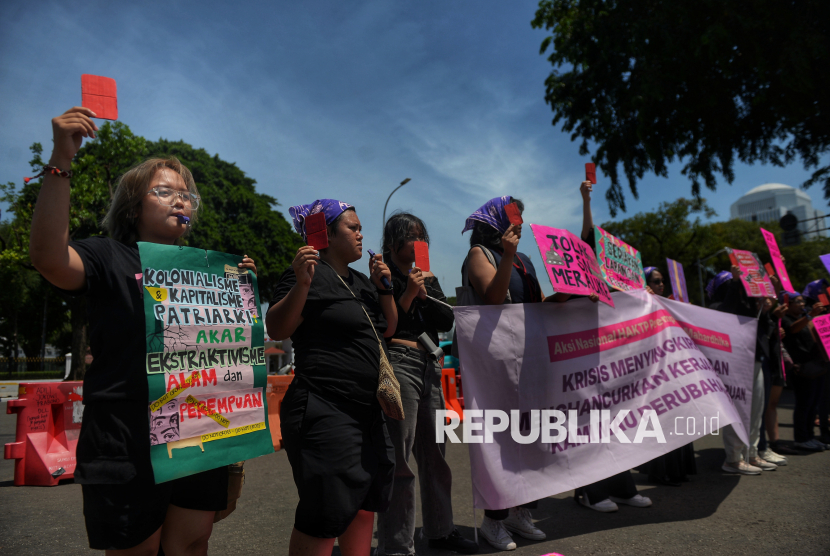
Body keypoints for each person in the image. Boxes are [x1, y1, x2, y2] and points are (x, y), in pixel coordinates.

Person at [29, 107, 257, 555]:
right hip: (126, 440)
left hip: (198, 435)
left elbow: (229, 370)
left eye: (187, 194)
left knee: (192, 545)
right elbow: (49, 258)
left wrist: (239, 293)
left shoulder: (212, 273)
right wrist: (61, 160)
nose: (180, 199)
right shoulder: (107, 256)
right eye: (164, 191)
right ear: (134, 207)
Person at [266, 199, 398, 556]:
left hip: (367, 413)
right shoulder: (307, 274)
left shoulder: (360, 281)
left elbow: (388, 329)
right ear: (325, 233)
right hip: (325, 408)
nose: (360, 234)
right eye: (352, 228)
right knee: (325, 513)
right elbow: (277, 327)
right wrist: (302, 285)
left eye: (359, 228)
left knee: (363, 502)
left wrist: (384, 287)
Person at [376, 213, 478, 556]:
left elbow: (447, 318)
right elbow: (388, 325)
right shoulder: (382, 275)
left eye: (423, 237)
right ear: (392, 242)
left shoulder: (427, 277)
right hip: (400, 363)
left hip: (429, 365)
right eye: (412, 237)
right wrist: (407, 292)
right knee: (400, 460)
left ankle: (441, 530)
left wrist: (424, 291)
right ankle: (396, 544)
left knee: (436, 455)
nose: (420, 243)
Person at [460, 195, 547, 551]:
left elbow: (537, 305)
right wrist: (507, 256)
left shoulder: (525, 260)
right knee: (500, 439)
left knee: (532, 436)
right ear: (496, 221)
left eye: (522, 218)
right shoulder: (480, 254)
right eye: (514, 217)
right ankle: (493, 520)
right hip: (495, 363)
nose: (520, 224)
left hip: (528, 358)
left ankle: (521, 511)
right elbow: (493, 299)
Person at [571, 182, 651, 512]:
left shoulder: (618, 285)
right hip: (585, 365)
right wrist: (586, 201)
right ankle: (590, 490)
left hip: (616, 362)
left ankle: (622, 486)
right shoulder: (577, 282)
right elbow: (587, 234)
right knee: (591, 427)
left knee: (619, 423)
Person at [707, 268, 779, 474]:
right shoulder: (718, 306)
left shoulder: (749, 306)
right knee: (738, 412)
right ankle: (732, 458)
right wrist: (736, 283)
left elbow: (766, 329)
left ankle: (752, 453)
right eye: (735, 284)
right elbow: (727, 313)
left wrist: (764, 307)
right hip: (736, 363)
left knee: (756, 410)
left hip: (755, 360)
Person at [641, 266, 698, 485]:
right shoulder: (645, 304)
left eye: (662, 280)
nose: (661, 284)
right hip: (656, 372)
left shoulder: (671, 305)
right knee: (663, 422)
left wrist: (686, 312)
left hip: (677, 369)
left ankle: (677, 469)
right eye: (656, 281)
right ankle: (659, 471)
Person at [779, 289, 828, 452]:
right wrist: (809, 315)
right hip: (801, 368)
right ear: (788, 304)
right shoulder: (785, 319)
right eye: (798, 302)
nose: (802, 305)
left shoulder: (804, 317)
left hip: (816, 366)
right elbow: (793, 330)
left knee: (813, 404)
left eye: (802, 302)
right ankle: (801, 438)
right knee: (804, 404)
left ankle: (810, 437)